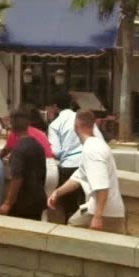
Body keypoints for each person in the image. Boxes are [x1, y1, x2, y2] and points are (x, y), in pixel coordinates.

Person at [49, 108, 125, 232]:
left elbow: (102, 186)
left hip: (103, 211)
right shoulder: (96, 145)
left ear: (76, 126)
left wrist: (98, 216)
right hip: (102, 209)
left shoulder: (91, 150)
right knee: (74, 223)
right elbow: (78, 177)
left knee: (71, 229)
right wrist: (57, 192)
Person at [0, 108, 50, 220]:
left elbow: (17, 178)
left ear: (12, 126)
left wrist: (7, 203)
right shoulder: (37, 145)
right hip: (38, 198)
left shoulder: (18, 150)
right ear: (28, 124)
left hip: (22, 202)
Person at [48, 94, 84, 224]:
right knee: (86, 205)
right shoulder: (82, 119)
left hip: (69, 167)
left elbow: (56, 151)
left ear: (55, 107)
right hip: (87, 163)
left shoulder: (55, 124)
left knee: (70, 207)